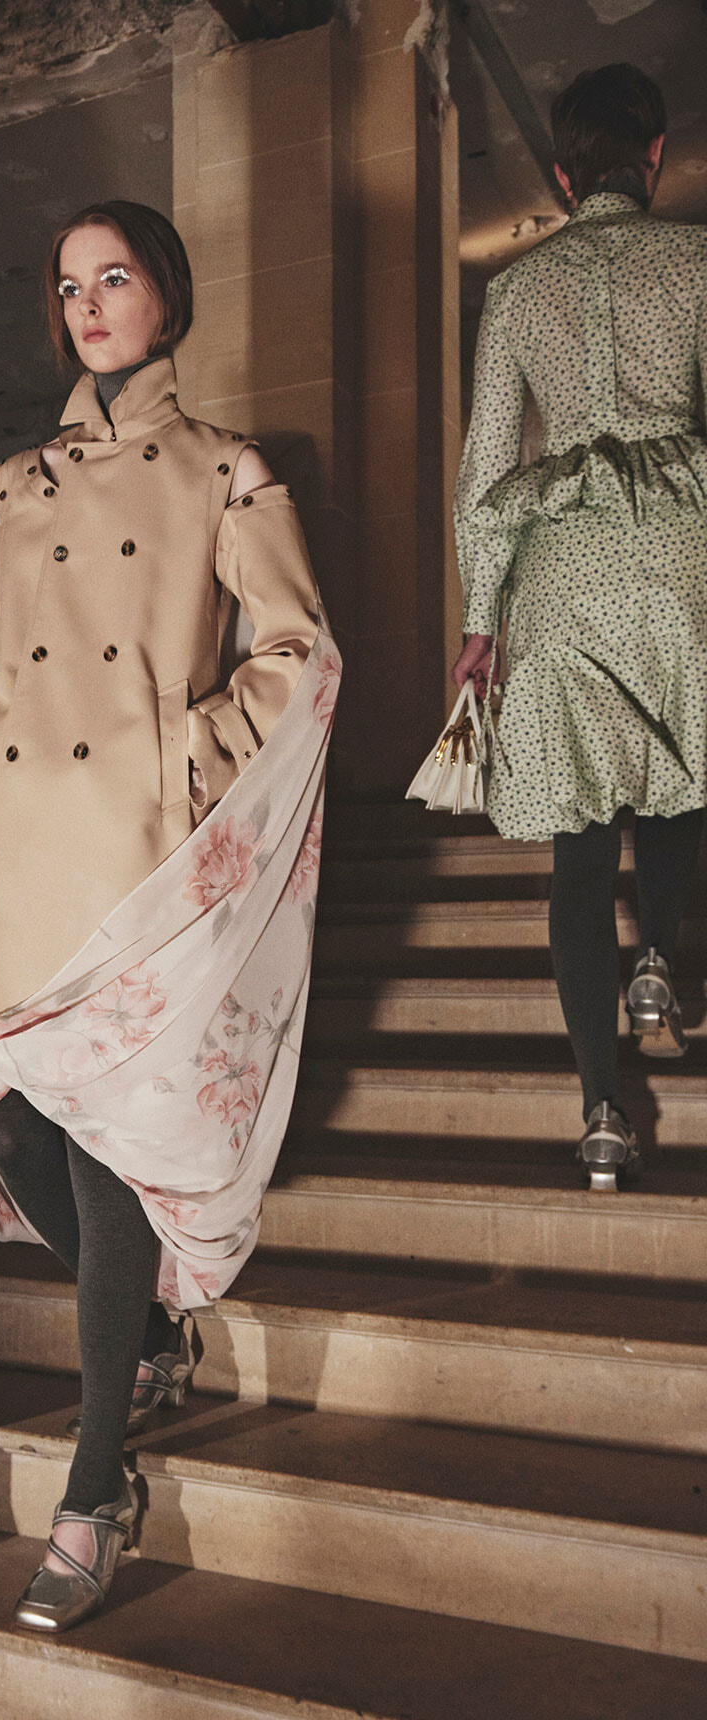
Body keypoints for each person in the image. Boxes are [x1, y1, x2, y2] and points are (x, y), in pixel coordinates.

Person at [0, 200, 339, 1630]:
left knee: (101, 1158)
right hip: (17, 847)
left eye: (115, 278)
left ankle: (95, 1492)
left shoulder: (225, 471)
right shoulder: (9, 488)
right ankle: (146, 1327)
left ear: (168, 298)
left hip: (137, 857)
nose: (88, 304)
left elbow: (297, 651)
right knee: (3, 1127)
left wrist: (183, 759)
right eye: (68, 285)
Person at [451, 64, 706, 1191]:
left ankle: (602, 1109)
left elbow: (483, 475)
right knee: (684, 776)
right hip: (683, 564)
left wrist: (479, 619)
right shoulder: (698, 261)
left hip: (560, 581)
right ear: (654, 156)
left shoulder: (515, 292)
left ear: (561, 176)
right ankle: (661, 961)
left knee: (579, 847)